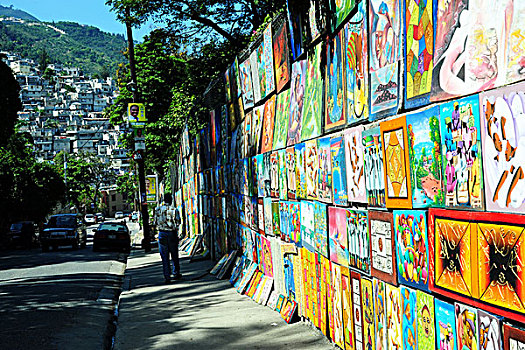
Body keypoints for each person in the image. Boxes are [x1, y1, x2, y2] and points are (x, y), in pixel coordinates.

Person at [154, 193, 182, 283]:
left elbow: (155, 222)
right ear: (171, 200)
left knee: (164, 256)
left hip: (162, 233)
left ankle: (167, 276)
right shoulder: (174, 209)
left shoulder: (158, 210)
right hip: (171, 233)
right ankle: (176, 272)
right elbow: (178, 221)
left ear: (164, 200)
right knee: (174, 254)